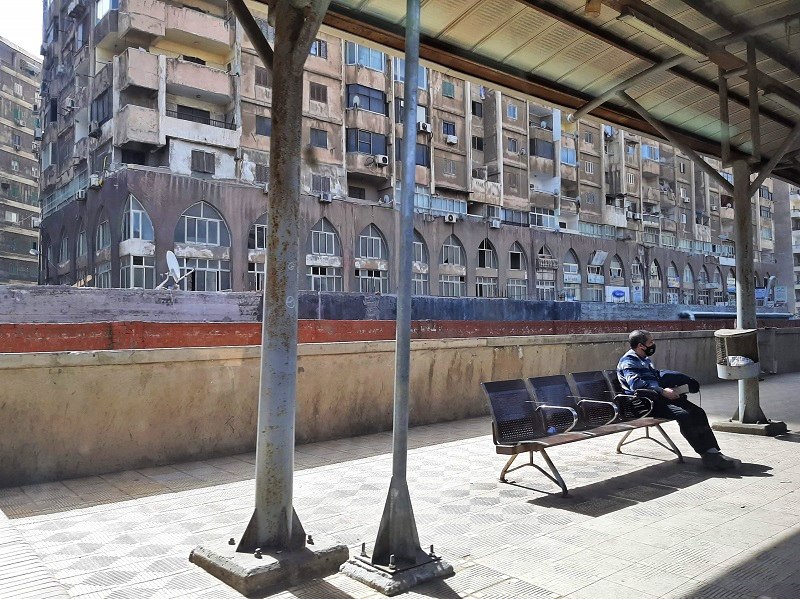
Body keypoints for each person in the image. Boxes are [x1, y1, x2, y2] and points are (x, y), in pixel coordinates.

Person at [617, 330, 740, 470]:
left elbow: (655, 378)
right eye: (650, 342)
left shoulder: (644, 359)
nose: (653, 344)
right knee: (684, 415)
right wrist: (663, 391)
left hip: (656, 398)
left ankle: (713, 451)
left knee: (698, 412)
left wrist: (672, 387)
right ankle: (705, 454)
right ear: (641, 346)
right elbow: (635, 384)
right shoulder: (629, 361)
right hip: (644, 404)